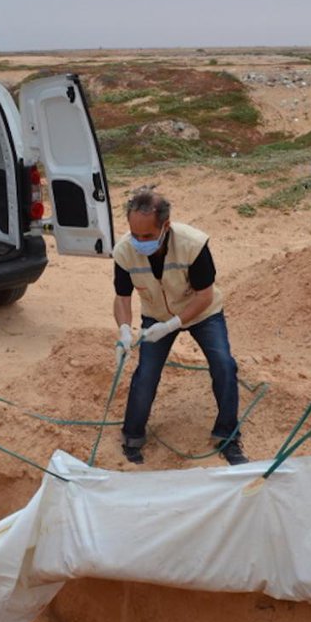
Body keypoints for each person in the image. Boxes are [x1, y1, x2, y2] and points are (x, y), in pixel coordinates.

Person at [112, 187, 248, 465]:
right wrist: (124, 330)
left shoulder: (192, 245)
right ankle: (132, 436)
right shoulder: (124, 251)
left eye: (147, 236)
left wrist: (172, 325)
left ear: (165, 226)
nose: (139, 242)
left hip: (202, 312)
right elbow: (122, 297)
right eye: (135, 235)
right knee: (146, 373)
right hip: (156, 314)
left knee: (224, 364)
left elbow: (204, 295)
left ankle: (227, 436)